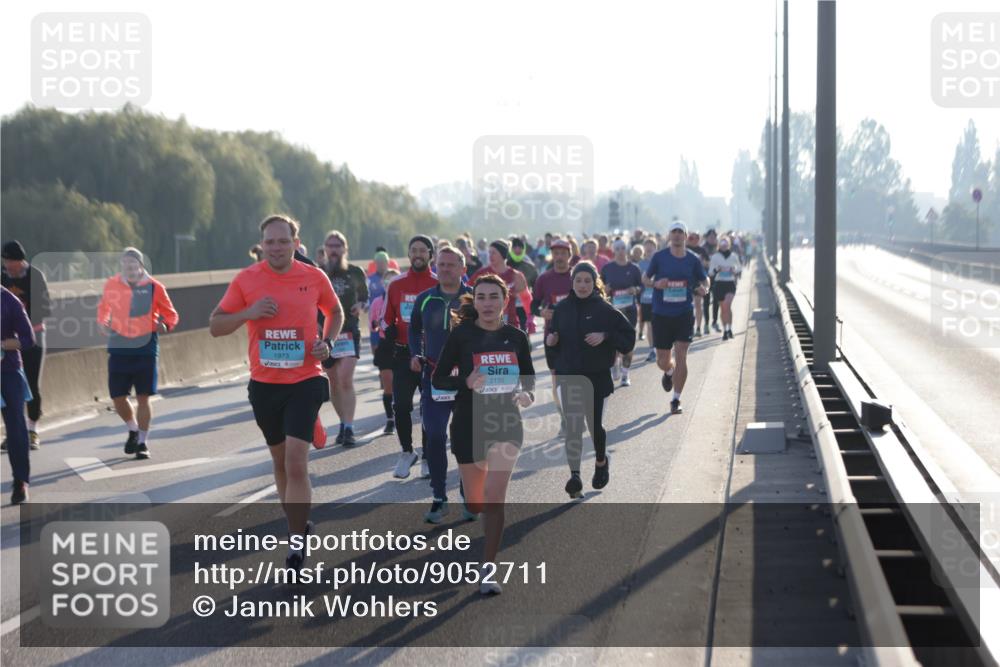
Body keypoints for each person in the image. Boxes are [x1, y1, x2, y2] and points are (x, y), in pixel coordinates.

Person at [209, 214, 343, 573]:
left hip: (305, 380)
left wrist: (326, 343)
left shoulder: (313, 276)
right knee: (281, 461)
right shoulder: (247, 280)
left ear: (296, 243)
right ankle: (297, 527)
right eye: (270, 242)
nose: (276, 248)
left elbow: (335, 311)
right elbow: (215, 326)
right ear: (262, 245)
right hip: (265, 385)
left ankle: (295, 545)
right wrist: (249, 312)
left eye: (283, 241)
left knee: (297, 461)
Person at [432, 274, 536, 595]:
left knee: (494, 496)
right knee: (476, 503)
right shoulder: (462, 335)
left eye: (494, 297)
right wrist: (465, 382)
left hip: (506, 422)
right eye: (481, 297)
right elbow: (438, 379)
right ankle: (471, 500)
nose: (487, 303)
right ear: (474, 302)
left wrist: (527, 395)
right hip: (468, 424)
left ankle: (488, 569)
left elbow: (529, 378)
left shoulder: (516, 337)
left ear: (505, 301)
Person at [546, 262, 635, 497]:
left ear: (594, 283)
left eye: (587, 281)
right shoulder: (562, 309)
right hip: (569, 377)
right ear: (572, 283)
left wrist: (605, 335)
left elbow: (628, 337)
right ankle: (575, 476)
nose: (582, 285)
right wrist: (551, 342)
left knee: (594, 427)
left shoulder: (604, 309)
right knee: (573, 428)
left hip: (597, 377)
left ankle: (601, 462)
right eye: (578, 281)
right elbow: (553, 339)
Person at [409, 247, 474, 523]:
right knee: (434, 434)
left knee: (465, 441)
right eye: (441, 265)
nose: (446, 269)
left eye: (451, 265)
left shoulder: (473, 299)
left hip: (468, 380)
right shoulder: (426, 299)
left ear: (462, 267)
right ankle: (439, 498)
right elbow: (413, 329)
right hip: (434, 376)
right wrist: (415, 353)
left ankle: (467, 494)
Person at [96, 248, 179, 459]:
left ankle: (142, 442)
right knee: (117, 397)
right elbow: (103, 309)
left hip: (145, 346)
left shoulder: (154, 287)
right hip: (119, 344)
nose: (130, 269)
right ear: (121, 267)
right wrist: (103, 323)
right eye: (126, 265)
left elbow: (171, 315)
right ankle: (133, 429)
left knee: (143, 397)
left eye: (133, 265)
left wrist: (166, 326)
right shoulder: (112, 285)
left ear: (141, 266)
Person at [383, 235, 438, 478]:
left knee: (428, 407)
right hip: (403, 353)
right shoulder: (395, 285)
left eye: (422, 251)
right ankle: (407, 452)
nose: (418, 254)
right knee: (401, 405)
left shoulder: (439, 284)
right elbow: (383, 322)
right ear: (408, 254)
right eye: (413, 250)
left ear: (430, 255)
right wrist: (388, 330)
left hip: (432, 355)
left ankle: (428, 456)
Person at [643, 221, 708, 415]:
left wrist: (706, 287)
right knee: (663, 360)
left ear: (686, 237)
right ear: (669, 235)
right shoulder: (659, 257)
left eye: (681, 232)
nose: (678, 235)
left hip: (684, 313)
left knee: (681, 354)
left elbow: (704, 279)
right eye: (674, 232)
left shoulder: (693, 259)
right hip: (661, 314)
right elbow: (645, 279)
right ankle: (669, 372)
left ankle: (676, 399)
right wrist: (656, 284)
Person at [2, 241, 52, 451]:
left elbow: (45, 308)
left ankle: (32, 430)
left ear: (20, 260)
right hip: (8, 343)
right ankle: (13, 431)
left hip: (34, 337)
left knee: (31, 383)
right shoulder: (3, 276)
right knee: (9, 387)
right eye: (4, 261)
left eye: (10, 261)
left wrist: (23, 325)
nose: (7, 265)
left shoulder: (35, 276)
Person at [321, 231, 369, 446]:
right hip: (325, 334)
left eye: (337, 246)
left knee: (345, 378)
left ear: (344, 249)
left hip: (348, 331)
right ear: (325, 249)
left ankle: (349, 428)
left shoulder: (355, 272)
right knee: (333, 381)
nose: (333, 250)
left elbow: (365, 298)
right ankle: (342, 423)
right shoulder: (318, 273)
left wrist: (360, 306)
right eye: (330, 246)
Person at [531, 239, 574, 431]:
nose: (559, 257)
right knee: (556, 378)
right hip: (553, 335)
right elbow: (533, 304)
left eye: (563, 253)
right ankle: (564, 416)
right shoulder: (544, 279)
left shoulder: (577, 276)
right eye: (555, 253)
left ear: (569, 255)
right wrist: (541, 313)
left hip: (576, 335)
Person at [2, 286, 35, 504]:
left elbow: (28, 339)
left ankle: (20, 481)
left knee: (16, 429)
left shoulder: (9, 300)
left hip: (8, 372)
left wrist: (3, 345)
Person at [600, 239, 643, 386]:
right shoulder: (607, 269)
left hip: (630, 311)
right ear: (614, 251)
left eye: (623, 248)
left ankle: (625, 374)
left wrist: (636, 290)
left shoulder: (635, 268)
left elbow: (642, 286)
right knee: (613, 342)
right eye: (617, 248)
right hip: (613, 312)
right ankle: (615, 364)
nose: (620, 251)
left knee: (629, 343)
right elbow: (599, 288)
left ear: (627, 250)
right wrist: (604, 290)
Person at [470, 240, 527, 330]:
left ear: (503, 254)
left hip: (510, 324)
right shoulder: (481, 274)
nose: (490, 255)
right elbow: (466, 295)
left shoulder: (516, 275)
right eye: (489, 252)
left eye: (493, 253)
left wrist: (530, 319)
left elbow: (526, 299)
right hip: (484, 326)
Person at [370, 268, 399, 435]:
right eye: (387, 282)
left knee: (401, 385)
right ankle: (390, 420)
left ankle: (403, 413)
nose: (390, 285)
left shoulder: (403, 300)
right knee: (388, 384)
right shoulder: (376, 302)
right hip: (385, 344)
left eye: (394, 282)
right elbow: (373, 327)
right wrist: (378, 323)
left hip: (402, 345)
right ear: (383, 284)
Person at [708, 237, 743, 340]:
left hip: (730, 284)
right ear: (719, 245)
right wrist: (717, 269)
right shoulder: (715, 257)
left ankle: (730, 328)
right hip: (719, 284)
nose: (724, 246)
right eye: (722, 244)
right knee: (723, 308)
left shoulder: (733, 256)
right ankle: (725, 330)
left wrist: (734, 270)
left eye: (726, 244)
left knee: (727, 305)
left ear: (729, 245)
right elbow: (710, 272)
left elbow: (739, 268)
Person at [686, 231, 710, 338]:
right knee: (687, 306)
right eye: (691, 238)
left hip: (698, 280)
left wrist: (702, 262)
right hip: (686, 281)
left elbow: (708, 264)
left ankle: (699, 328)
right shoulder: (684, 249)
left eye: (696, 238)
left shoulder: (702, 250)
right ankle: (689, 327)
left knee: (698, 304)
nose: (693, 240)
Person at [639, 237, 658, 361]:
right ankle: (652, 350)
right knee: (650, 325)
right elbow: (637, 281)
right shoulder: (640, 264)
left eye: (652, 248)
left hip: (660, 298)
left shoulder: (660, 263)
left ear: (655, 249)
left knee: (659, 325)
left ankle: (662, 347)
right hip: (645, 299)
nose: (649, 250)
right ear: (644, 250)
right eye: (647, 248)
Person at [702, 229, 720, 333]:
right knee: (706, 301)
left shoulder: (718, 248)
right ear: (707, 237)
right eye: (711, 237)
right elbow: (703, 263)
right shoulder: (703, 248)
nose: (712, 239)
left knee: (716, 300)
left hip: (717, 277)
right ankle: (706, 324)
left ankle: (715, 321)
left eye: (714, 237)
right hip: (706, 277)